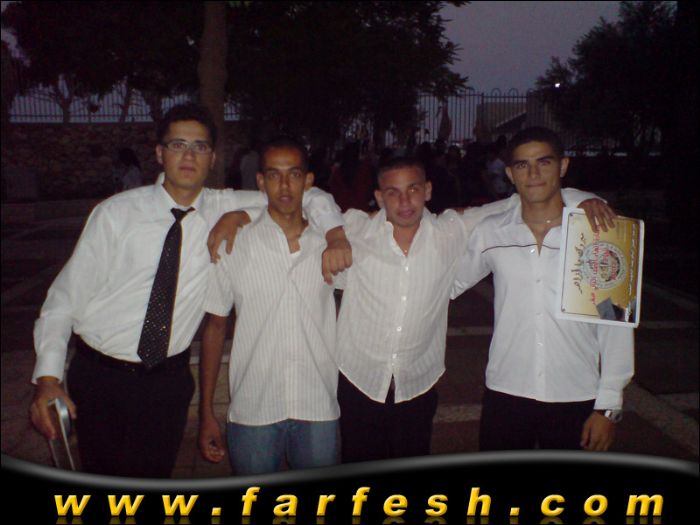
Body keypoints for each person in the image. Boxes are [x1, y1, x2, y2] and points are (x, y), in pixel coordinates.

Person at [28, 103, 350, 478]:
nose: (188, 155)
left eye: (199, 147)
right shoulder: (115, 214)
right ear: (159, 153)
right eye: (178, 145)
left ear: (212, 158)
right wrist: (47, 380)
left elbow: (305, 197)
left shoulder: (221, 205)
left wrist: (332, 234)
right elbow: (62, 301)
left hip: (167, 380)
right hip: (103, 375)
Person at [331, 157, 614, 462]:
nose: (404, 201)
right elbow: (310, 205)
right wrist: (334, 236)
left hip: (417, 383)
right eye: (393, 192)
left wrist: (583, 199)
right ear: (379, 197)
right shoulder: (355, 229)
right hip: (358, 378)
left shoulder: (450, 230)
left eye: (412, 189)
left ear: (427, 190)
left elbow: (517, 199)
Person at [452, 126, 634, 451]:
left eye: (544, 162)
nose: (533, 174)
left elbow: (615, 324)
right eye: (523, 165)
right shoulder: (491, 232)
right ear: (510, 174)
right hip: (506, 391)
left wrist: (609, 407)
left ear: (562, 166)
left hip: (576, 393)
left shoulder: (601, 234)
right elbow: (446, 285)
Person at [199, 137, 339, 475]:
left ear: (308, 181)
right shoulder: (233, 243)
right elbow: (215, 327)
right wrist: (206, 411)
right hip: (254, 407)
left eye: (294, 174)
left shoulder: (332, 245)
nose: (285, 185)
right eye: (274, 175)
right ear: (261, 182)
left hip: (317, 403)